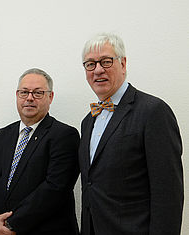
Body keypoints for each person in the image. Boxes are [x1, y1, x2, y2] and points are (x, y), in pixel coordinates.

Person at [78, 33, 183, 235]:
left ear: (123, 64)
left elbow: (168, 193)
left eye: (106, 61)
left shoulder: (153, 111)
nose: (98, 69)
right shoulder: (87, 121)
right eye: (90, 64)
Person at [0, 68, 80, 235]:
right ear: (17, 95)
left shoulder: (65, 135)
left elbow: (55, 189)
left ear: (50, 97)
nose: (29, 98)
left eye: (38, 93)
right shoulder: (1, 135)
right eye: (24, 92)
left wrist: (8, 225)